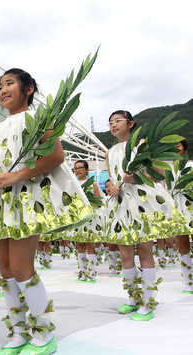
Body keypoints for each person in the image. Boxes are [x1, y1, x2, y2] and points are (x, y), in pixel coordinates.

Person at [0, 68, 93, 355]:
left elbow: (55, 156)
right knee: (5, 270)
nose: (2, 89)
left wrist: (17, 176)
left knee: (22, 269)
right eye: (0, 86)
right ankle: (18, 332)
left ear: (29, 89)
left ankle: (44, 333)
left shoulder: (38, 120)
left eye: (9, 83)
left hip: (24, 202)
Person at [105, 110, 185, 321]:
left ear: (130, 123)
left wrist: (138, 178)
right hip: (121, 204)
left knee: (144, 250)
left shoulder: (143, 146)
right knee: (124, 254)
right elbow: (111, 178)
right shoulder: (109, 152)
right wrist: (110, 186)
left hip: (141, 202)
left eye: (118, 121)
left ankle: (148, 303)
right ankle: (133, 298)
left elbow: (159, 173)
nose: (113, 125)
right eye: (110, 122)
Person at [169, 140, 193, 293]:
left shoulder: (190, 166)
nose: (174, 149)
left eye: (177, 146)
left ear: (185, 149)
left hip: (190, 208)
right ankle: (188, 281)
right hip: (177, 212)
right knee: (182, 247)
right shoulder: (167, 170)